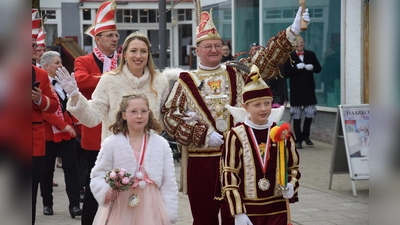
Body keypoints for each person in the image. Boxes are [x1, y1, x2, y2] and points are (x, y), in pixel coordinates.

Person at [162, 7, 309, 225]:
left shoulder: (238, 72)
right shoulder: (185, 80)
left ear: (224, 48)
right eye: (208, 46)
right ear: (197, 50)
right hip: (201, 161)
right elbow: (169, 117)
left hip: (240, 158)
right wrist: (202, 134)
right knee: (204, 218)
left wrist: (292, 31)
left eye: (218, 45)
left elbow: (266, 61)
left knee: (237, 215)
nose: (213, 50)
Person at [55, 2, 120, 224]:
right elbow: (80, 82)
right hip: (96, 133)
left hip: (121, 133)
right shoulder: (84, 60)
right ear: (97, 39)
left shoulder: (123, 62)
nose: (114, 39)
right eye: (109, 35)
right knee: (96, 188)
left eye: (116, 35)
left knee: (122, 186)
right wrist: (112, 78)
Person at [221, 65, 300, 225]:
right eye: (257, 105)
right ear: (245, 107)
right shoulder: (235, 135)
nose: (263, 109)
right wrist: (238, 211)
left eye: (267, 103)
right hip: (248, 209)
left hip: (277, 207)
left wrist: (292, 186)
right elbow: (229, 174)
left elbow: (293, 167)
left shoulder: (282, 132)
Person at [90, 92, 178, 224]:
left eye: (143, 111)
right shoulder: (112, 143)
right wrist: (105, 191)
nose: (139, 116)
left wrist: (169, 211)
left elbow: (168, 181)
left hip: (152, 205)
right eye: (133, 111)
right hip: (121, 206)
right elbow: (98, 174)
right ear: (124, 115)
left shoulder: (161, 144)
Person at [39, 51, 83, 218]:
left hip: (68, 134)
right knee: (46, 170)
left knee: (71, 169)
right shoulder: (40, 83)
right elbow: (42, 109)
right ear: (46, 67)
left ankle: (74, 205)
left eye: (60, 62)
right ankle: (47, 203)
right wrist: (62, 125)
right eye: (57, 63)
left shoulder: (63, 83)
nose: (60, 66)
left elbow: (72, 105)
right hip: (49, 134)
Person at [31, 8, 59, 224]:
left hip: (33, 140)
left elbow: (53, 105)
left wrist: (40, 99)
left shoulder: (40, 74)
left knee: (30, 195)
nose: (32, 50)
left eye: (34, 46)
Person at [283, 36, 322, 149]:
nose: (301, 44)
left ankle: (306, 136)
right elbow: (285, 73)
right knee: (296, 116)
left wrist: (312, 67)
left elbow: (319, 68)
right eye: (298, 42)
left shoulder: (311, 54)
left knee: (310, 114)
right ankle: (298, 140)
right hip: (296, 91)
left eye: (302, 42)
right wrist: (296, 68)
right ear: (294, 44)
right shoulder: (290, 56)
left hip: (309, 90)